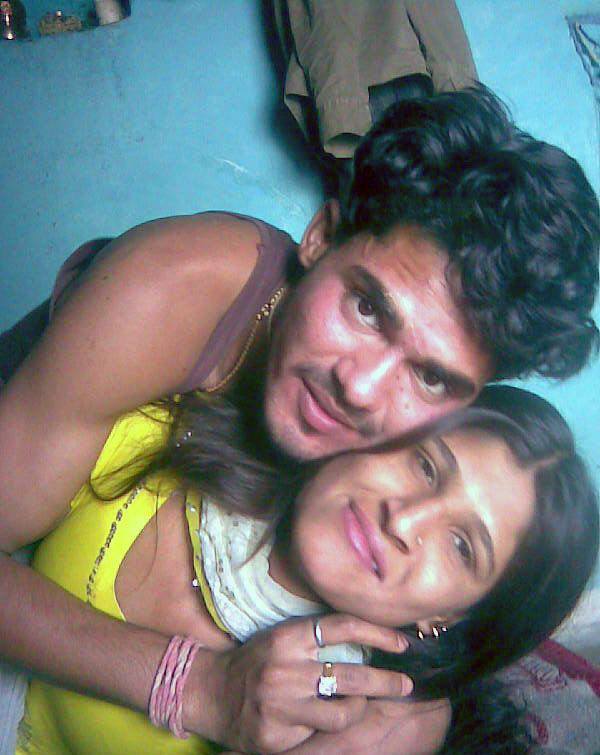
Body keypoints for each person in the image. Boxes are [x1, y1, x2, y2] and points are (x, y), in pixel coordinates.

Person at [1, 85, 599, 754]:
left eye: (430, 376)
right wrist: (194, 685)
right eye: (367, 308)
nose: (359, 387)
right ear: (320, 237)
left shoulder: (387, 519)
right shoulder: (175, 289)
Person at [14, 385, 599, 755]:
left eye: (462, 547)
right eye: (425, 465)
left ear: (448, 618)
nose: (405, 519)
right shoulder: (160, 438)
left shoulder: (360, 725)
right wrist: (199, 687)